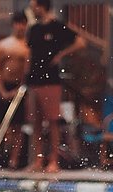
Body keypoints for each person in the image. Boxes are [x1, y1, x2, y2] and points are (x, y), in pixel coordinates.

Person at [25, 0, 86, 173]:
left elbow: (81, 42)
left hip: (50, 80)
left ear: (42, 6)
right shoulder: (34, 29)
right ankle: (37, 161)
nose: (31, 9)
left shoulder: (57, 27)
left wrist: (61, 54)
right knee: (35, 123)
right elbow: (30, 53)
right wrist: (26, 76)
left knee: (53, 121)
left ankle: (53, 161)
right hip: (34, 80)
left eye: (33, 5)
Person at [0, 11, 30, 169]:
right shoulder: (3, 44)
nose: (20, 27)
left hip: (19, 89)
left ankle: (14, 159)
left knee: (17, 126)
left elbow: (27, 71)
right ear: (13, 25)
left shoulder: (28, 46)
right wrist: (1, 90)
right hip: (3, 86)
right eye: (18, 23)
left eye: (23, 23)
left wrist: (20, 90)